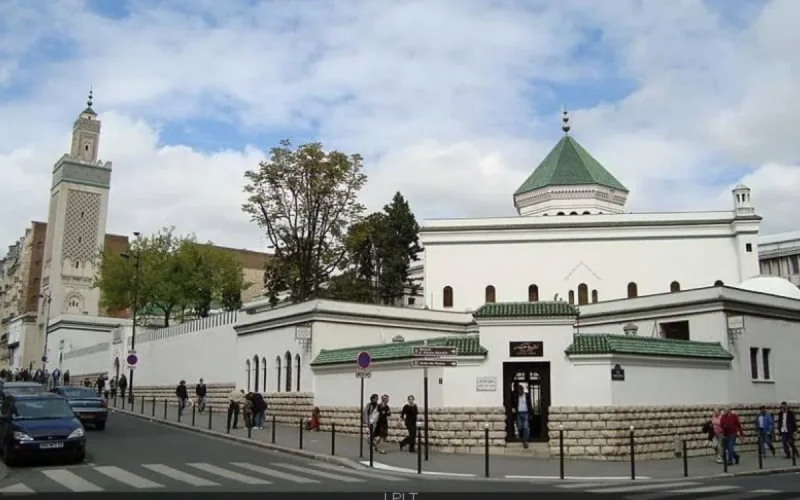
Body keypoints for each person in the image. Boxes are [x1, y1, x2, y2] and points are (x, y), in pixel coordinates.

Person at [510, 384, 533, 449]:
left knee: (526, 427)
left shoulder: (527, 395)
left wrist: (531, 414)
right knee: (520, 427)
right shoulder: (515, 396)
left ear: (522, 390)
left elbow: (530, 404)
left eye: (520, 390)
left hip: (526, 413)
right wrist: (513, 408)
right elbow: (512, 402)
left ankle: (525, 441)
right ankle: (522, 437)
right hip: (518, 413)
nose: (519, 392)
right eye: (518, 391)